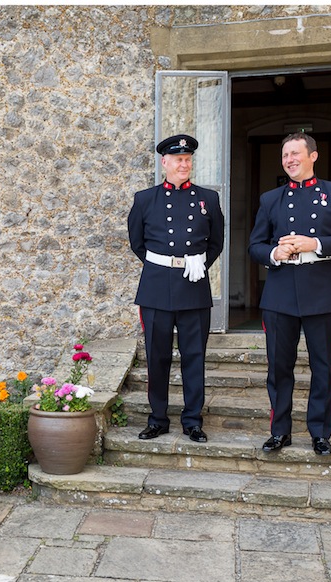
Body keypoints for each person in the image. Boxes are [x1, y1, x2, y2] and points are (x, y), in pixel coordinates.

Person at [248, 131, 331, 456]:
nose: (290, 160)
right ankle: (279, 431)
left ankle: (320, 433)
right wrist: (273, 254)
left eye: (296, 153)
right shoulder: (271, 199)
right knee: (278, 368)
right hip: (280, 294)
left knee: (322, 367)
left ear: (313, 156)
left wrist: (316, 244)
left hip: (322, 294)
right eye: (285, 155)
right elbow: (255, 245)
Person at [128, 133, 224, 444]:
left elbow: (217, 242)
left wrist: (197, 263)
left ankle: (193, 420)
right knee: (157, 357)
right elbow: (137, 243)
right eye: (178, 159)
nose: (183, 163)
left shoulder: (208, 199)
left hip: (194, 287)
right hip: (156, 287)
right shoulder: (145, 199)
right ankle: (157, 419)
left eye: (187, 159)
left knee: (194, 356)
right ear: (164, 162)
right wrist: (164, 264)